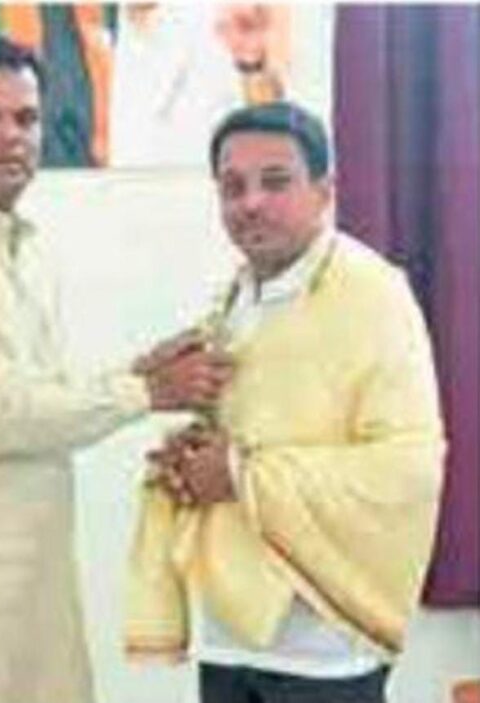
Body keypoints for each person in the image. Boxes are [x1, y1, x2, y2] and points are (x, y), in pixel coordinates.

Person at [0, 35, 232, 703]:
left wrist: (137, 371)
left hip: (31, 579)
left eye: (26, 118)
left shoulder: (24, 247)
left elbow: (35, 396)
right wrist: (146, 391)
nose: (10, 135)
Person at [125, 101, 446, 703]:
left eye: (275, 182)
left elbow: (407, 467)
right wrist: (189, 459)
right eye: (232, 186)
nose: (251, 202)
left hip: (324, 641)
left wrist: (239, 475)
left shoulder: (373, 295)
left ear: (324, 191)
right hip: (229, 631)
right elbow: (243, 433)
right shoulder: (233, 298)